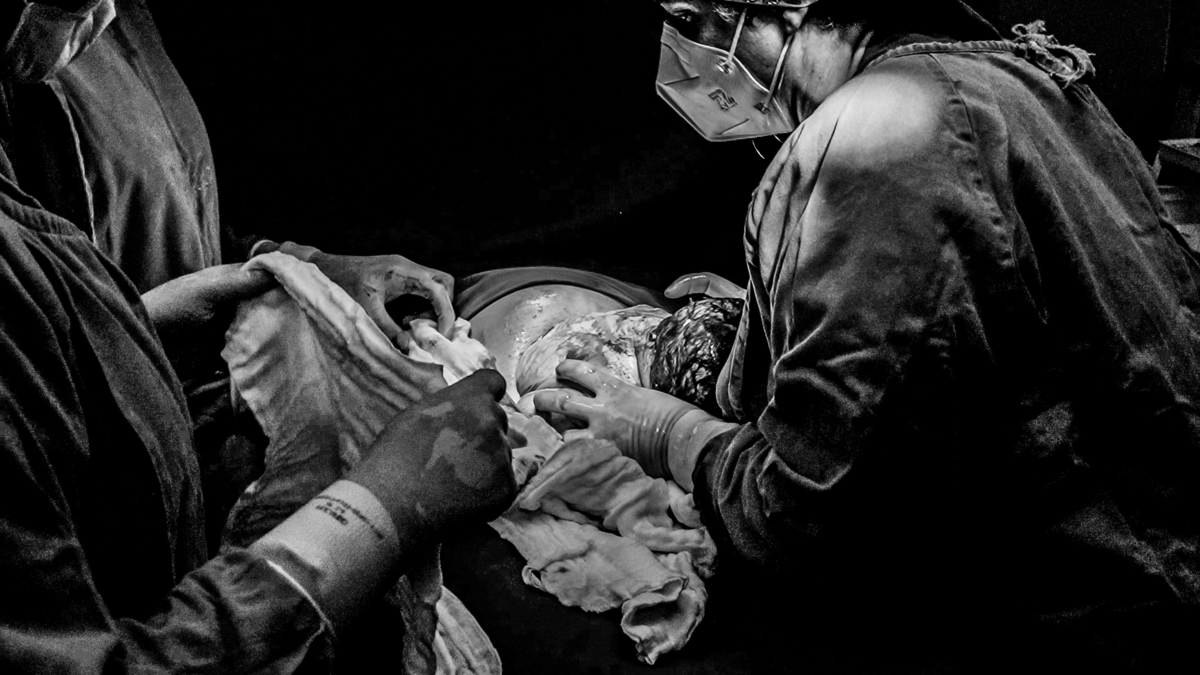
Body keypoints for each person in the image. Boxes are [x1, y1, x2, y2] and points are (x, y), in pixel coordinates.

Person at [533, 0, 1200, 668]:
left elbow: (808, 520)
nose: (677, 41)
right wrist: (778, 314)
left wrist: (668, 433)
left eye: (687, 15)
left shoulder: (884, 138)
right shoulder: (1015, 81)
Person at [0, 0, 461, 550]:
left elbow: (168, 210)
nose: (100, 16)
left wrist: (306, 267)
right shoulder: (32, 52)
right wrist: (138, 329)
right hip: (123, 487)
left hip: (197, 442)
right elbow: (33, 353)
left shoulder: (126, 24)